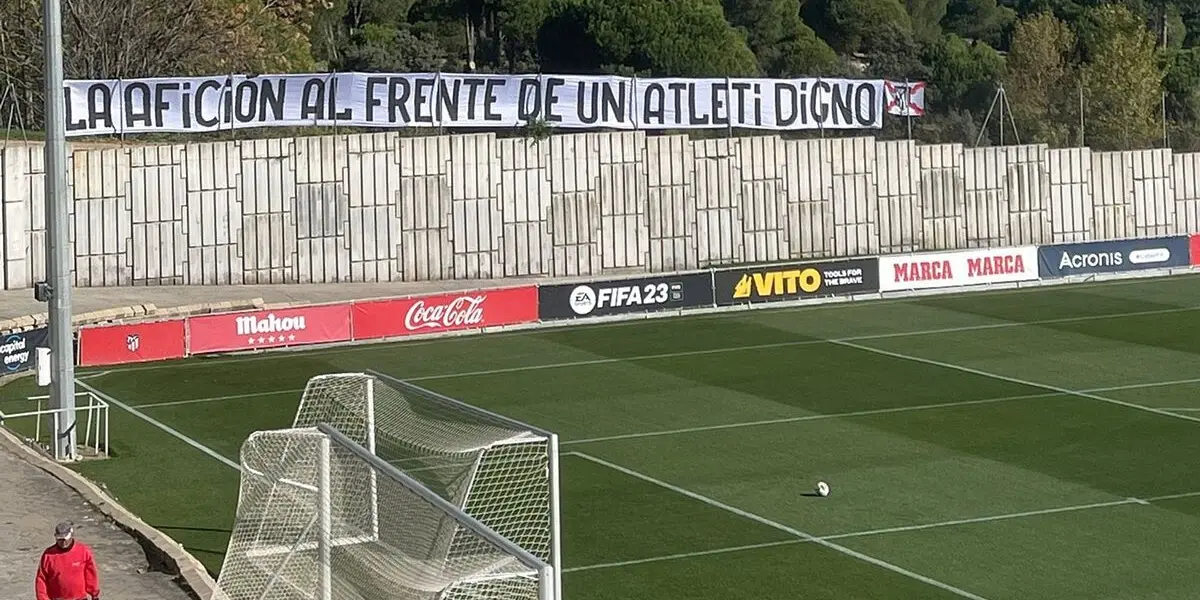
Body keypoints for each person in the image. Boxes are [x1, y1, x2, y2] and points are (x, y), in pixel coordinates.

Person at [35, 521, 100, 600]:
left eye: (65, 538)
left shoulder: (83, 551)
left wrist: (94, 594)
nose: (63, 542)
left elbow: (91, 574)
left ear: (71, 536)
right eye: (60, 539)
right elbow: (41, 580)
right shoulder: (48, 555)